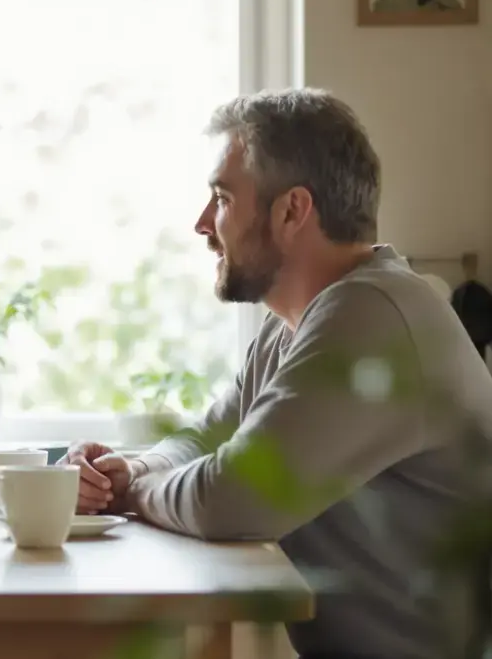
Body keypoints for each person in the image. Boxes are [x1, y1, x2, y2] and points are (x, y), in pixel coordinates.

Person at [60, 87, 492, 658]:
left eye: (220, 198)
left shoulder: (371, 314)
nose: (200, 224)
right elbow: (205, 438)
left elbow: (231, 498)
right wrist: (133, 465)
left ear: (292, 210)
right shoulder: (295, 323)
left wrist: (130, 490)